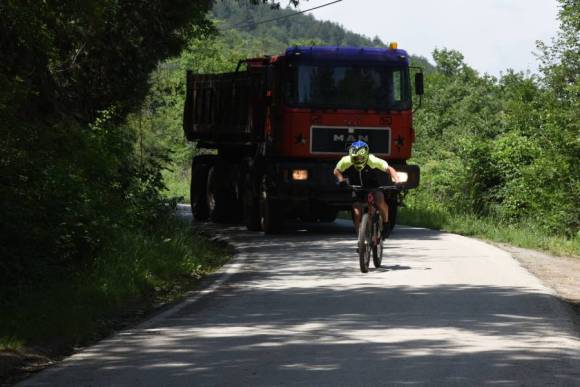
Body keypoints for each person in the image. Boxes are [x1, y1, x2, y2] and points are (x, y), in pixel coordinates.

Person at [333, 140, 400, 239]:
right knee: (356, 211)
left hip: (372, 185)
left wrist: (397, 181)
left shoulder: (372, 160)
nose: (358, 159)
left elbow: (390, 169)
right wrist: (341, 180)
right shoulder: (346, 160)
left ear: (366, 156)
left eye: (360, 157)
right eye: (355, 157)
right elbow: (336, 170)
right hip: (357, 186)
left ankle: (386, 223)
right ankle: (360, 238)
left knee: (380, 200)